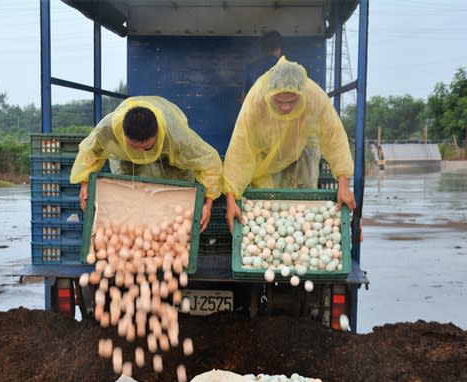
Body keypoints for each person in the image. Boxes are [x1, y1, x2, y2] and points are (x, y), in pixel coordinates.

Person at [222, 56, 357, 232]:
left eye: (292, 101)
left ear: (302, 94)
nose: (285, 107)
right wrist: (231, 198)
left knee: (305, 204)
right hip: (268, 153)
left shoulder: (314, 96)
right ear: (269, 96)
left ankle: (304, 232)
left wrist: (344, 184)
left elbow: (335, 137)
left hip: (303, 147)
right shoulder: (256, 99)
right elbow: (240, 147)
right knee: (270, 204)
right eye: (278, 101)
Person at [70, 96, 223, 231]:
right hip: (125, 160)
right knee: (130, 199)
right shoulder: (107, 130)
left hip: (168, 159)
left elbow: (209, 162)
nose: (141, 153)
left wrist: (208, 203)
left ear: (156, 135)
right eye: (134, 147)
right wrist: (84, 183)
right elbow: (89, 153)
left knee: (174, 202)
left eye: (147, 147)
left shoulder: (177, 138)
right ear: (123, 136)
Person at [241, 30, 283, 103]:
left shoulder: (251, 68)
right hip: (282, 112)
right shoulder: (288, 68)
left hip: (258, 111)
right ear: (278, 47)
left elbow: (244, 99)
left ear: (263, 49)